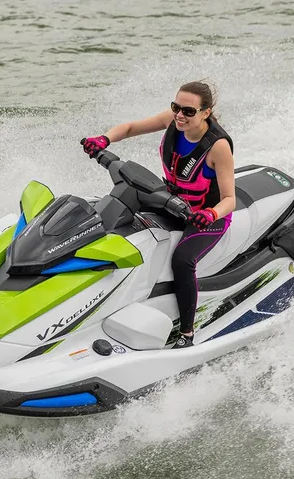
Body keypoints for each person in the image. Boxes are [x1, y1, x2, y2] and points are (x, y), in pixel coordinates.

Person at [81, 81, 236, 349]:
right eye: (176, 107)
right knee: (112, 212)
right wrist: (104, 139)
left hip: (205, 217)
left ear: (205, 113)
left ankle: (187, 334)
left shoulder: (218, 146)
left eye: (188, 111)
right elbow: (129, 129)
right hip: (170, 200)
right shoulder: (173, 121)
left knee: (182, 261)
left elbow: (229, 200)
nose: (179, 115)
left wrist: (210, 215)